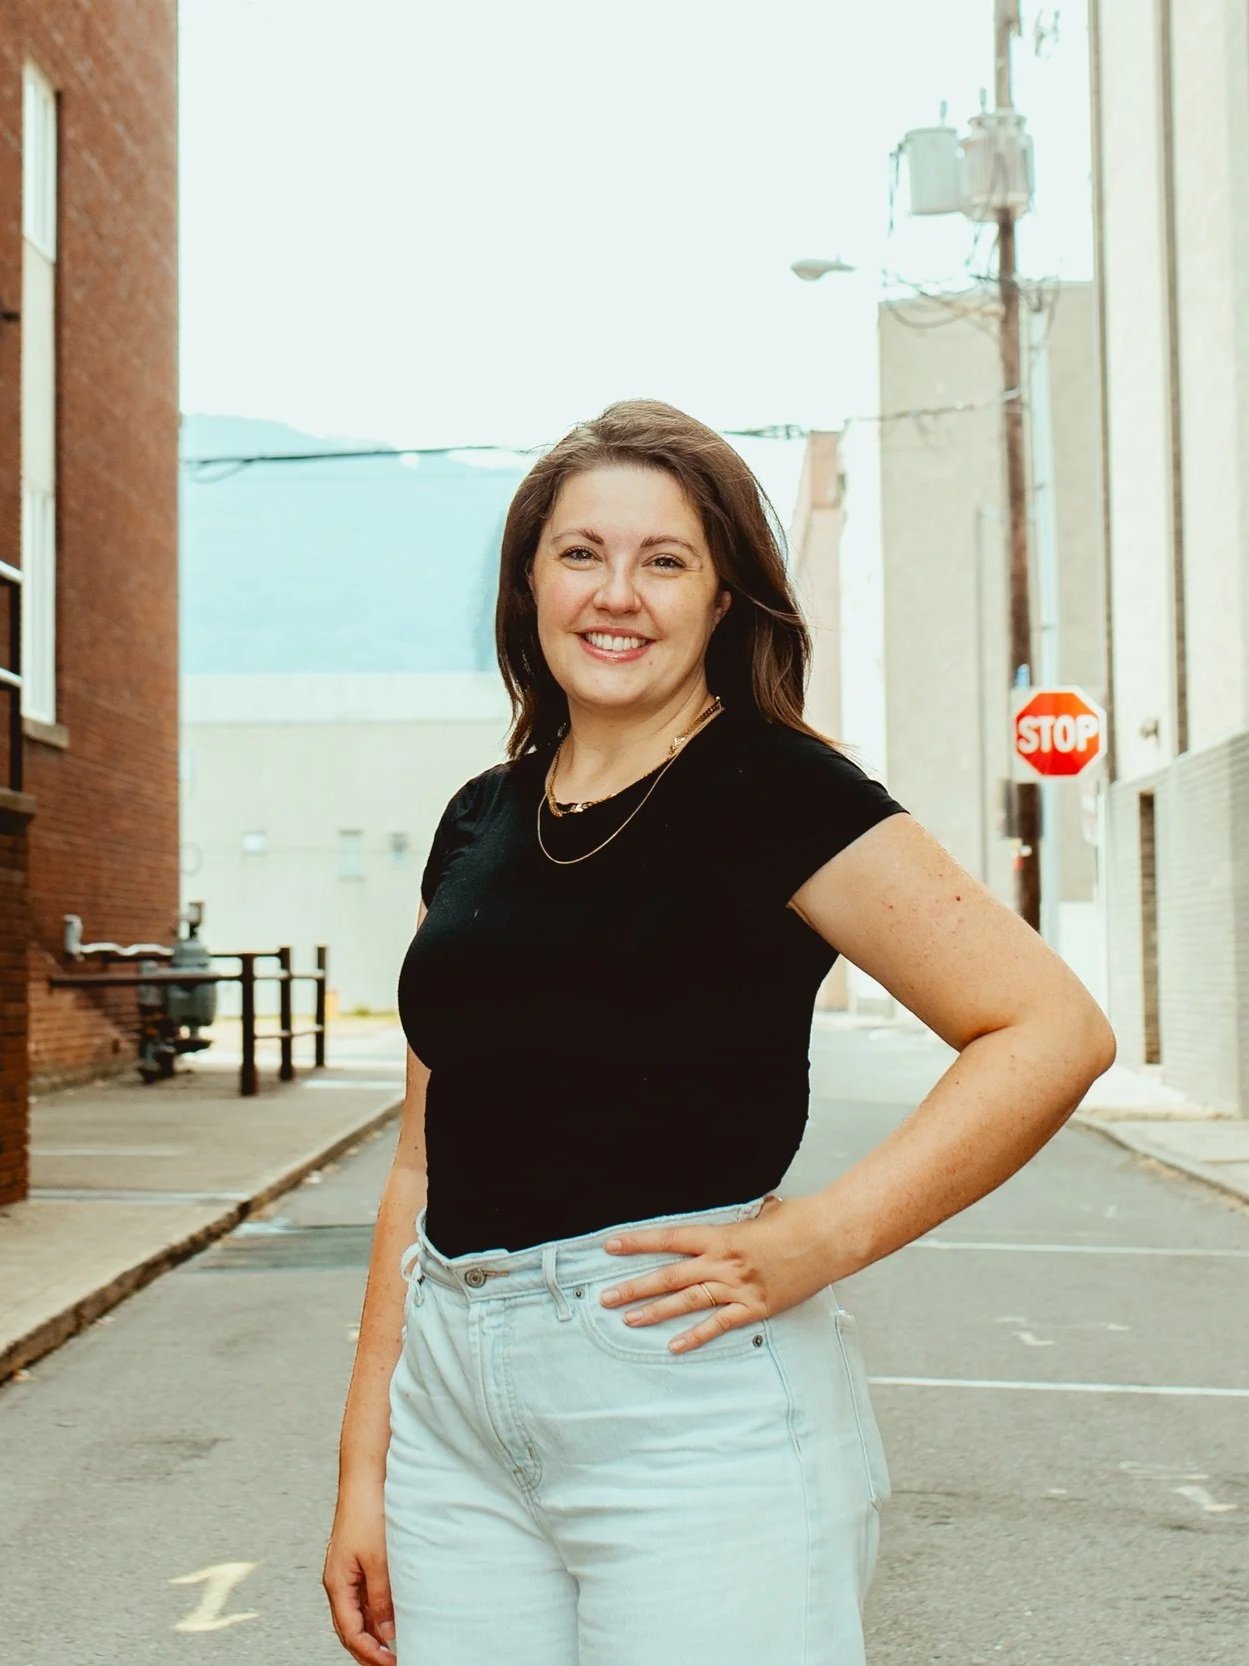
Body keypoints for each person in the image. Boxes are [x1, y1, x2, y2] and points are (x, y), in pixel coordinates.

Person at [323, 398, 1116, 1666]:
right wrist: (366, 1462)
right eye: (580, 552)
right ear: (529, 582)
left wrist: (824, 1236)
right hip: (452, 1414)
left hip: (684, 1401)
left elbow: (1049, 1027)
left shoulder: (778, 790)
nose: (615, 593)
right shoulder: (480, 817)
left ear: (721, 596)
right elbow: (421, 1162)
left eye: (664, 559)